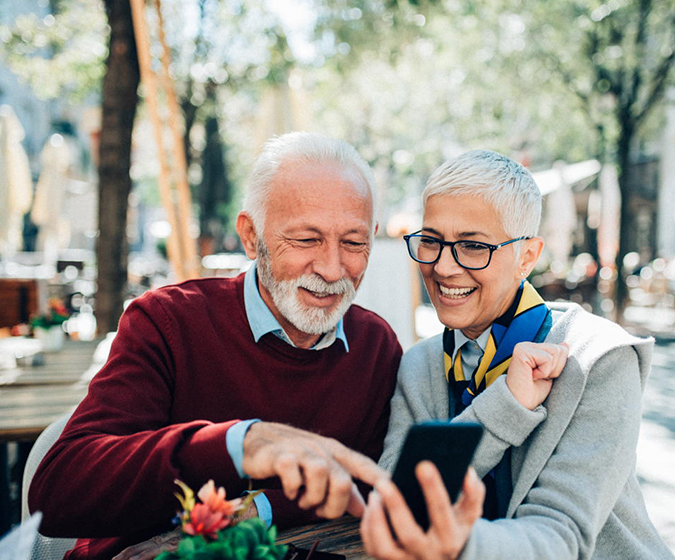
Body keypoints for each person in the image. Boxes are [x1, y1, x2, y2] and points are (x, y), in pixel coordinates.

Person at [28, 132, 403, 560]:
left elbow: (362, 482)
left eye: (353, 243)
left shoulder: (376, 347)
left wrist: (253, 508)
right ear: (249, 236)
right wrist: (239, 444)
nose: (333, 268)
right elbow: (58, 493)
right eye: (305, 240)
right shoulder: (166, 322)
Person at [361, 149, 674, 559]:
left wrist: (457, 545)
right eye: (432, 241)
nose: (443, 267)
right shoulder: (420, 366)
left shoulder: (600, 358)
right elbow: (397, 504)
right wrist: (507, 404)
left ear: (527, 256)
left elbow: (562, 538)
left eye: (473, 246)